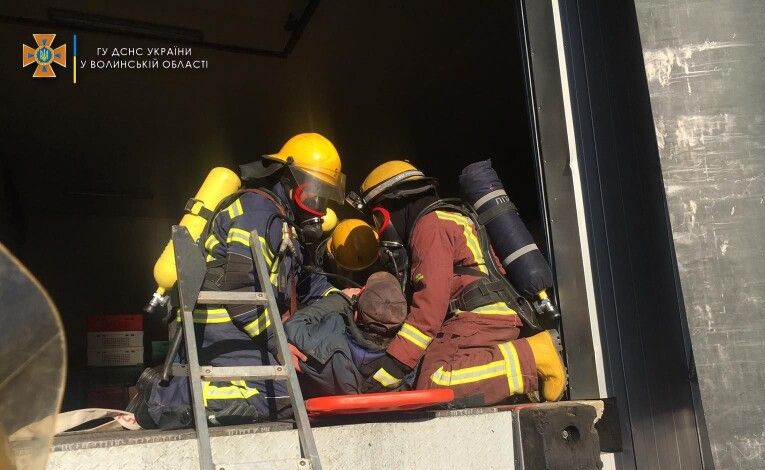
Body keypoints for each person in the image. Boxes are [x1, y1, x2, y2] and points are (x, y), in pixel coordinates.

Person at [130, 133, 342, 429]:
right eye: (313, 194)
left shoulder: (281, 221)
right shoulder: (257, 213)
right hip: (225, 334)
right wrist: (279, 345)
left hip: (246, 333)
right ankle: (163, 397)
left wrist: (344, 297)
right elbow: (242, 291)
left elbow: (303, 282)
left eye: (323, 198)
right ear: (288, 180)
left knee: (297, 391)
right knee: (282, 398)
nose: (317, 207)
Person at [358, 160, 567, 405]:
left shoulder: (430, 226)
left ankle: (533, 357)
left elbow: (429, 310)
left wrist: (394, 364)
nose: (380, 232)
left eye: (378, 220)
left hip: (481, 319)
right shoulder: (453, 217)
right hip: (493, 316)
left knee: (434, 382)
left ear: (395, 206)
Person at [284, 271, 409, 397]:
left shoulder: (327, 336)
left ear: (356, 314)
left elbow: (293, 325)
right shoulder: (400, 364)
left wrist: (342, 298)